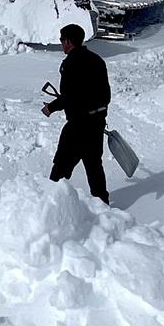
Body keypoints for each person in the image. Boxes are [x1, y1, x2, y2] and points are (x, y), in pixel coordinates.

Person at [41, 23, 111, 203]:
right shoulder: (97, 60)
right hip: (97, 121)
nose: (61, 44)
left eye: (61, 40)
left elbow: (69, 97)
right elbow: (106, 95)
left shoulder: (70, 63)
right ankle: (102, 203)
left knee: (62, 164)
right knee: (93, 163)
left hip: (78, 125)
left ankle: (51, 203)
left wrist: (51, 107)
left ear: (68, 41)